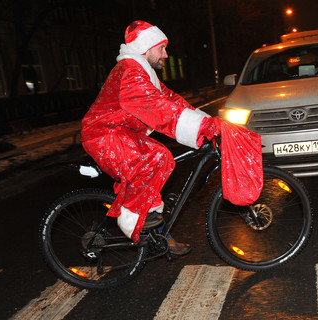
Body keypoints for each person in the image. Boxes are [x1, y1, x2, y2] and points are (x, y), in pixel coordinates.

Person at [80, 21, 220, 255]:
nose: (166, 54)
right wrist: (200, 127)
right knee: (155, 158)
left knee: (157, 164)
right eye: (161, 48)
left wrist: (206, 121)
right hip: (103, 134)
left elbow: (170, 100)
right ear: (146, 47)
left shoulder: (144, 71)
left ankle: (161, 236)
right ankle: (132, 220)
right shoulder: (130, 70)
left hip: (120, 132)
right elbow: (155, 107)